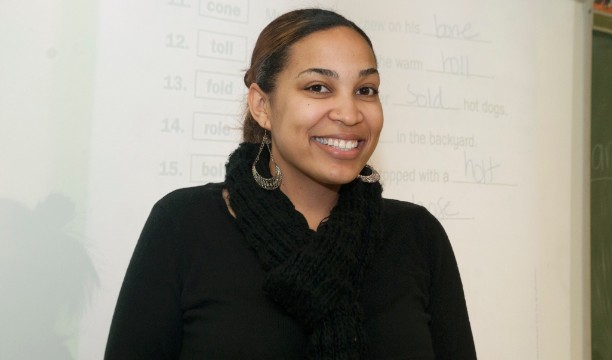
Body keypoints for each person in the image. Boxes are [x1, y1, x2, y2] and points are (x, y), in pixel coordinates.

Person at [104, 8, 476, 359]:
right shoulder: (184, 224)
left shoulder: (417, 235)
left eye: (366, 90)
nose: (349, 113)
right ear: (262, 106)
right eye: (317, 87)